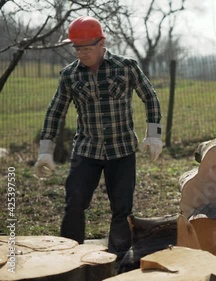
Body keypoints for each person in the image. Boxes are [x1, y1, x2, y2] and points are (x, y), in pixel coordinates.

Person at [33, 16, 163, 262]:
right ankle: (68, 257)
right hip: (86, 150)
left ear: (102, 43)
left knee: (122, 209)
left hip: (122, 150)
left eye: (87, 48)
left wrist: (154, 134)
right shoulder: (70, 76)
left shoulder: (126, 67)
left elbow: (150, 96)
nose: (82, 54)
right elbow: (55, 111)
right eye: (77, 48)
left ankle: (119, 260)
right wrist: (45, 150)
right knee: (74, 203)